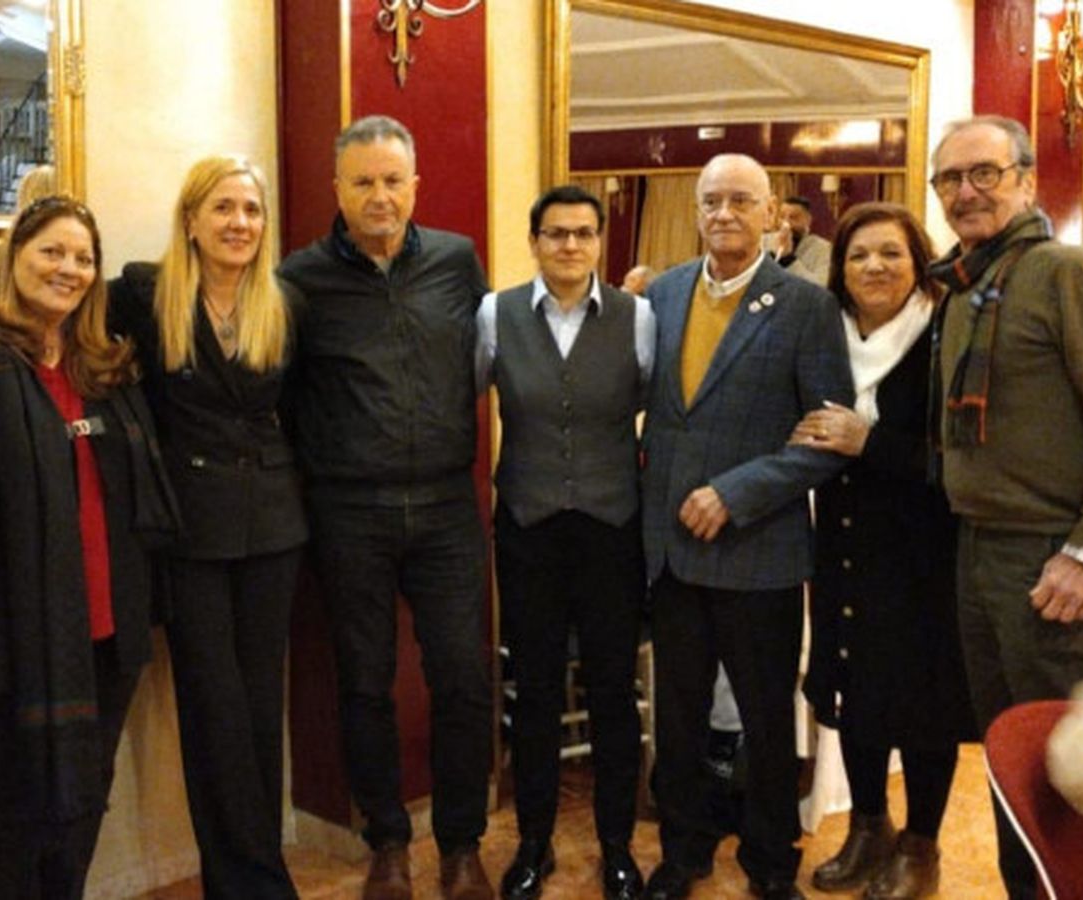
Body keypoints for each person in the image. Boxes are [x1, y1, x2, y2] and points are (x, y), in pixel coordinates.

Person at [929, 115, 1083, 900]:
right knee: (1012, 767)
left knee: (1072, 778)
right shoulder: (966, 289)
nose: (966, 193)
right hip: (977, 553)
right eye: (950, 180)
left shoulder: (1066, 274)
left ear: (1027, 180)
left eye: (985, 174)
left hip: (1047, 558)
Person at [0, 195, 182, 898]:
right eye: (51, 251)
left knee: (76, 818)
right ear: (14, 255)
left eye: (82, 258)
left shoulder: (104, 362)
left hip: (104, 630)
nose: (68, 269)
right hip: (0, 641)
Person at [279, 114, 496, 900]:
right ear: (337, 189)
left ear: (416, 187)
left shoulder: (456, 260)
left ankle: (463, 844)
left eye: (393, 181)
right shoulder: (298, 281)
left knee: (463, 680)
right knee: (365, 683)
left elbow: (486, 354)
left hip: (445, 504)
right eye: (363, 181)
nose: (380, 196)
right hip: (349, 512)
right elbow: (283, 395)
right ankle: (389, 843)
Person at [638, 153, 854, 900]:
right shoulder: (660, 296)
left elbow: (825, 437)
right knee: (680, 719)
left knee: (766, 722)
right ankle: (683, 850)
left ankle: (769, 861)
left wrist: (736, 492)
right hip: (672, 555)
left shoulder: (804, 306)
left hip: (758, 550)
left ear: (771, 214)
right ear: (695, 212)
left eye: (740, 200)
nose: (723, 213)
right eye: (710, 201)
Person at [108, 155, 304, 898]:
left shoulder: (282, 303)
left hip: (275, 528)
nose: (239, 224)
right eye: (223, 208)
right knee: (211, 707)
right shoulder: (145, 292)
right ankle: (242, 880)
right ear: (191, 220)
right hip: (191, 530)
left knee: (259, 708)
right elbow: (48, 303)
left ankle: (260, 875)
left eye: (251, 211)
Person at [476, 185, 654, 900]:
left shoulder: (640, 319)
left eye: (583, 233)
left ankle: (617, 849)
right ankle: (533, 846)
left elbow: (649, 405)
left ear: (600, 241)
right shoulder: (495, 314)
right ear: (534, 240)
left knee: (614, 694)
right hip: (528, 531)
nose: (570, 246)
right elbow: (470, 398)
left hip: (613, 530)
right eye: (556, 234)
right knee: (537, 694)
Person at [792, 202, 974, 899]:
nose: (874, 266)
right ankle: (868, 828)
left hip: (925, 547)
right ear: (839, 268)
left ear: (917, 259)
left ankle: (920, 848)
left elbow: (967, 458)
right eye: (859, 254)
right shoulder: (823, 333)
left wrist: (870, 444)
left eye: (891, 253)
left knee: (924, 701)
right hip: (842, 544)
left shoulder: (947, 334)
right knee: (853, 686)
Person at [775, 196, 831, 285]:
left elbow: (820, 286)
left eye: (793, 218)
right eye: (782, 217)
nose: (786, 223)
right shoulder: (764, 242)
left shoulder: (823, 249)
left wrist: (788, 259)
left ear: (808, 220)